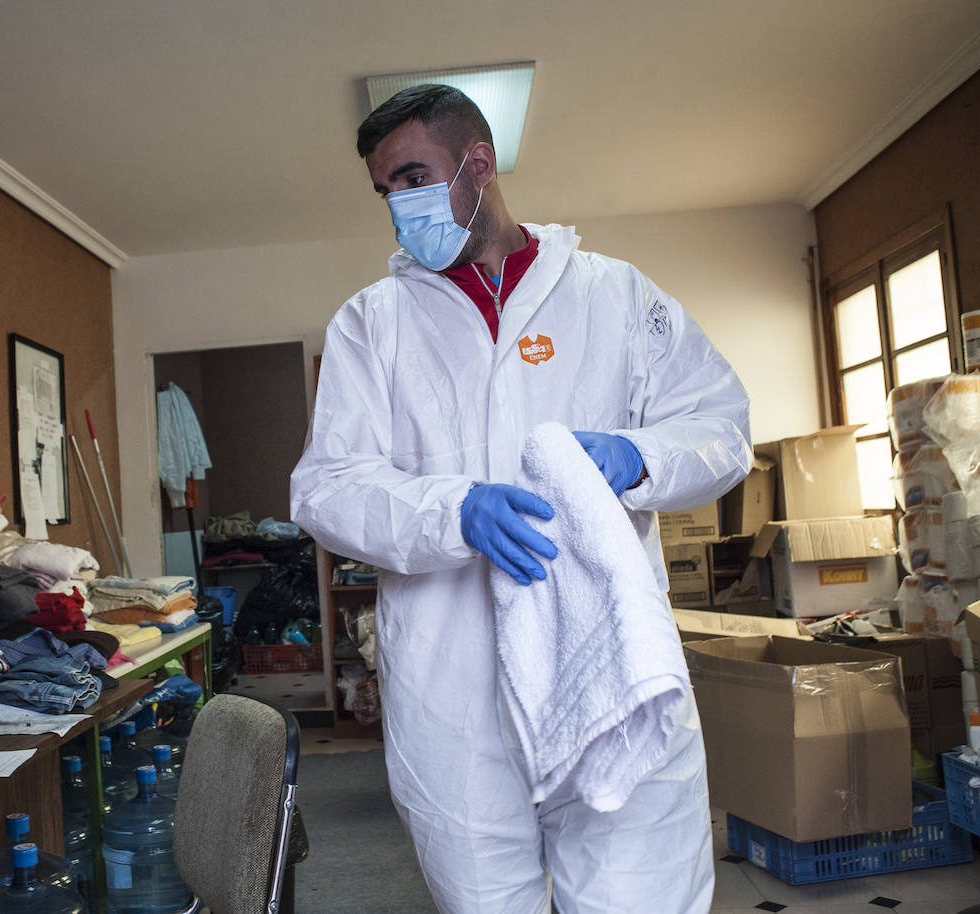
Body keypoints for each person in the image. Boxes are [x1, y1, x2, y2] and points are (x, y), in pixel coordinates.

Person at [289, 84, 751, 914]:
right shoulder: (373, 325)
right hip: (454, 695)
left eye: (414, 177)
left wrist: (637, 455)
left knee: (642, 894)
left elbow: (719, 426)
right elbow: (326, 488)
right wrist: (452, 512)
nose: (399, 206)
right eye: (385, 191)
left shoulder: (613, 295)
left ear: (479, 162)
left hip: (609, 669)